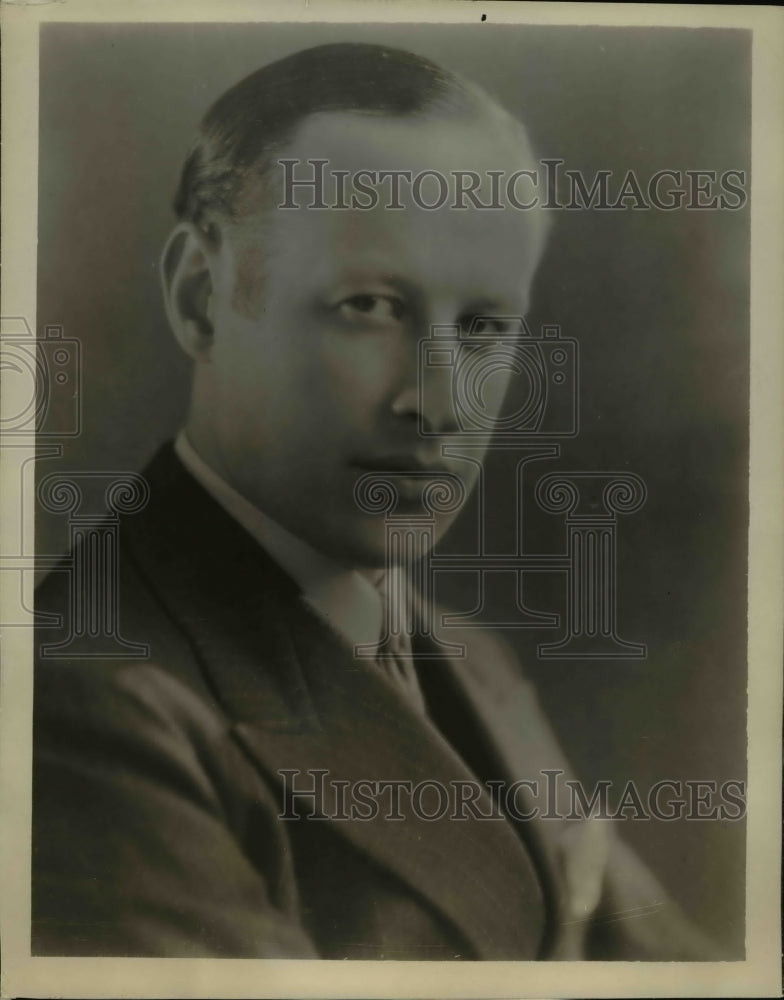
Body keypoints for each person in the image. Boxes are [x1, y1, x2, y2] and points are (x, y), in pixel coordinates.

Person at [32, 42, 716, 960]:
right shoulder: (84, 707)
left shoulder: (468, 659)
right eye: (370, 306)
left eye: (483, 326)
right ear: (202, 298)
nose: (438, 402)